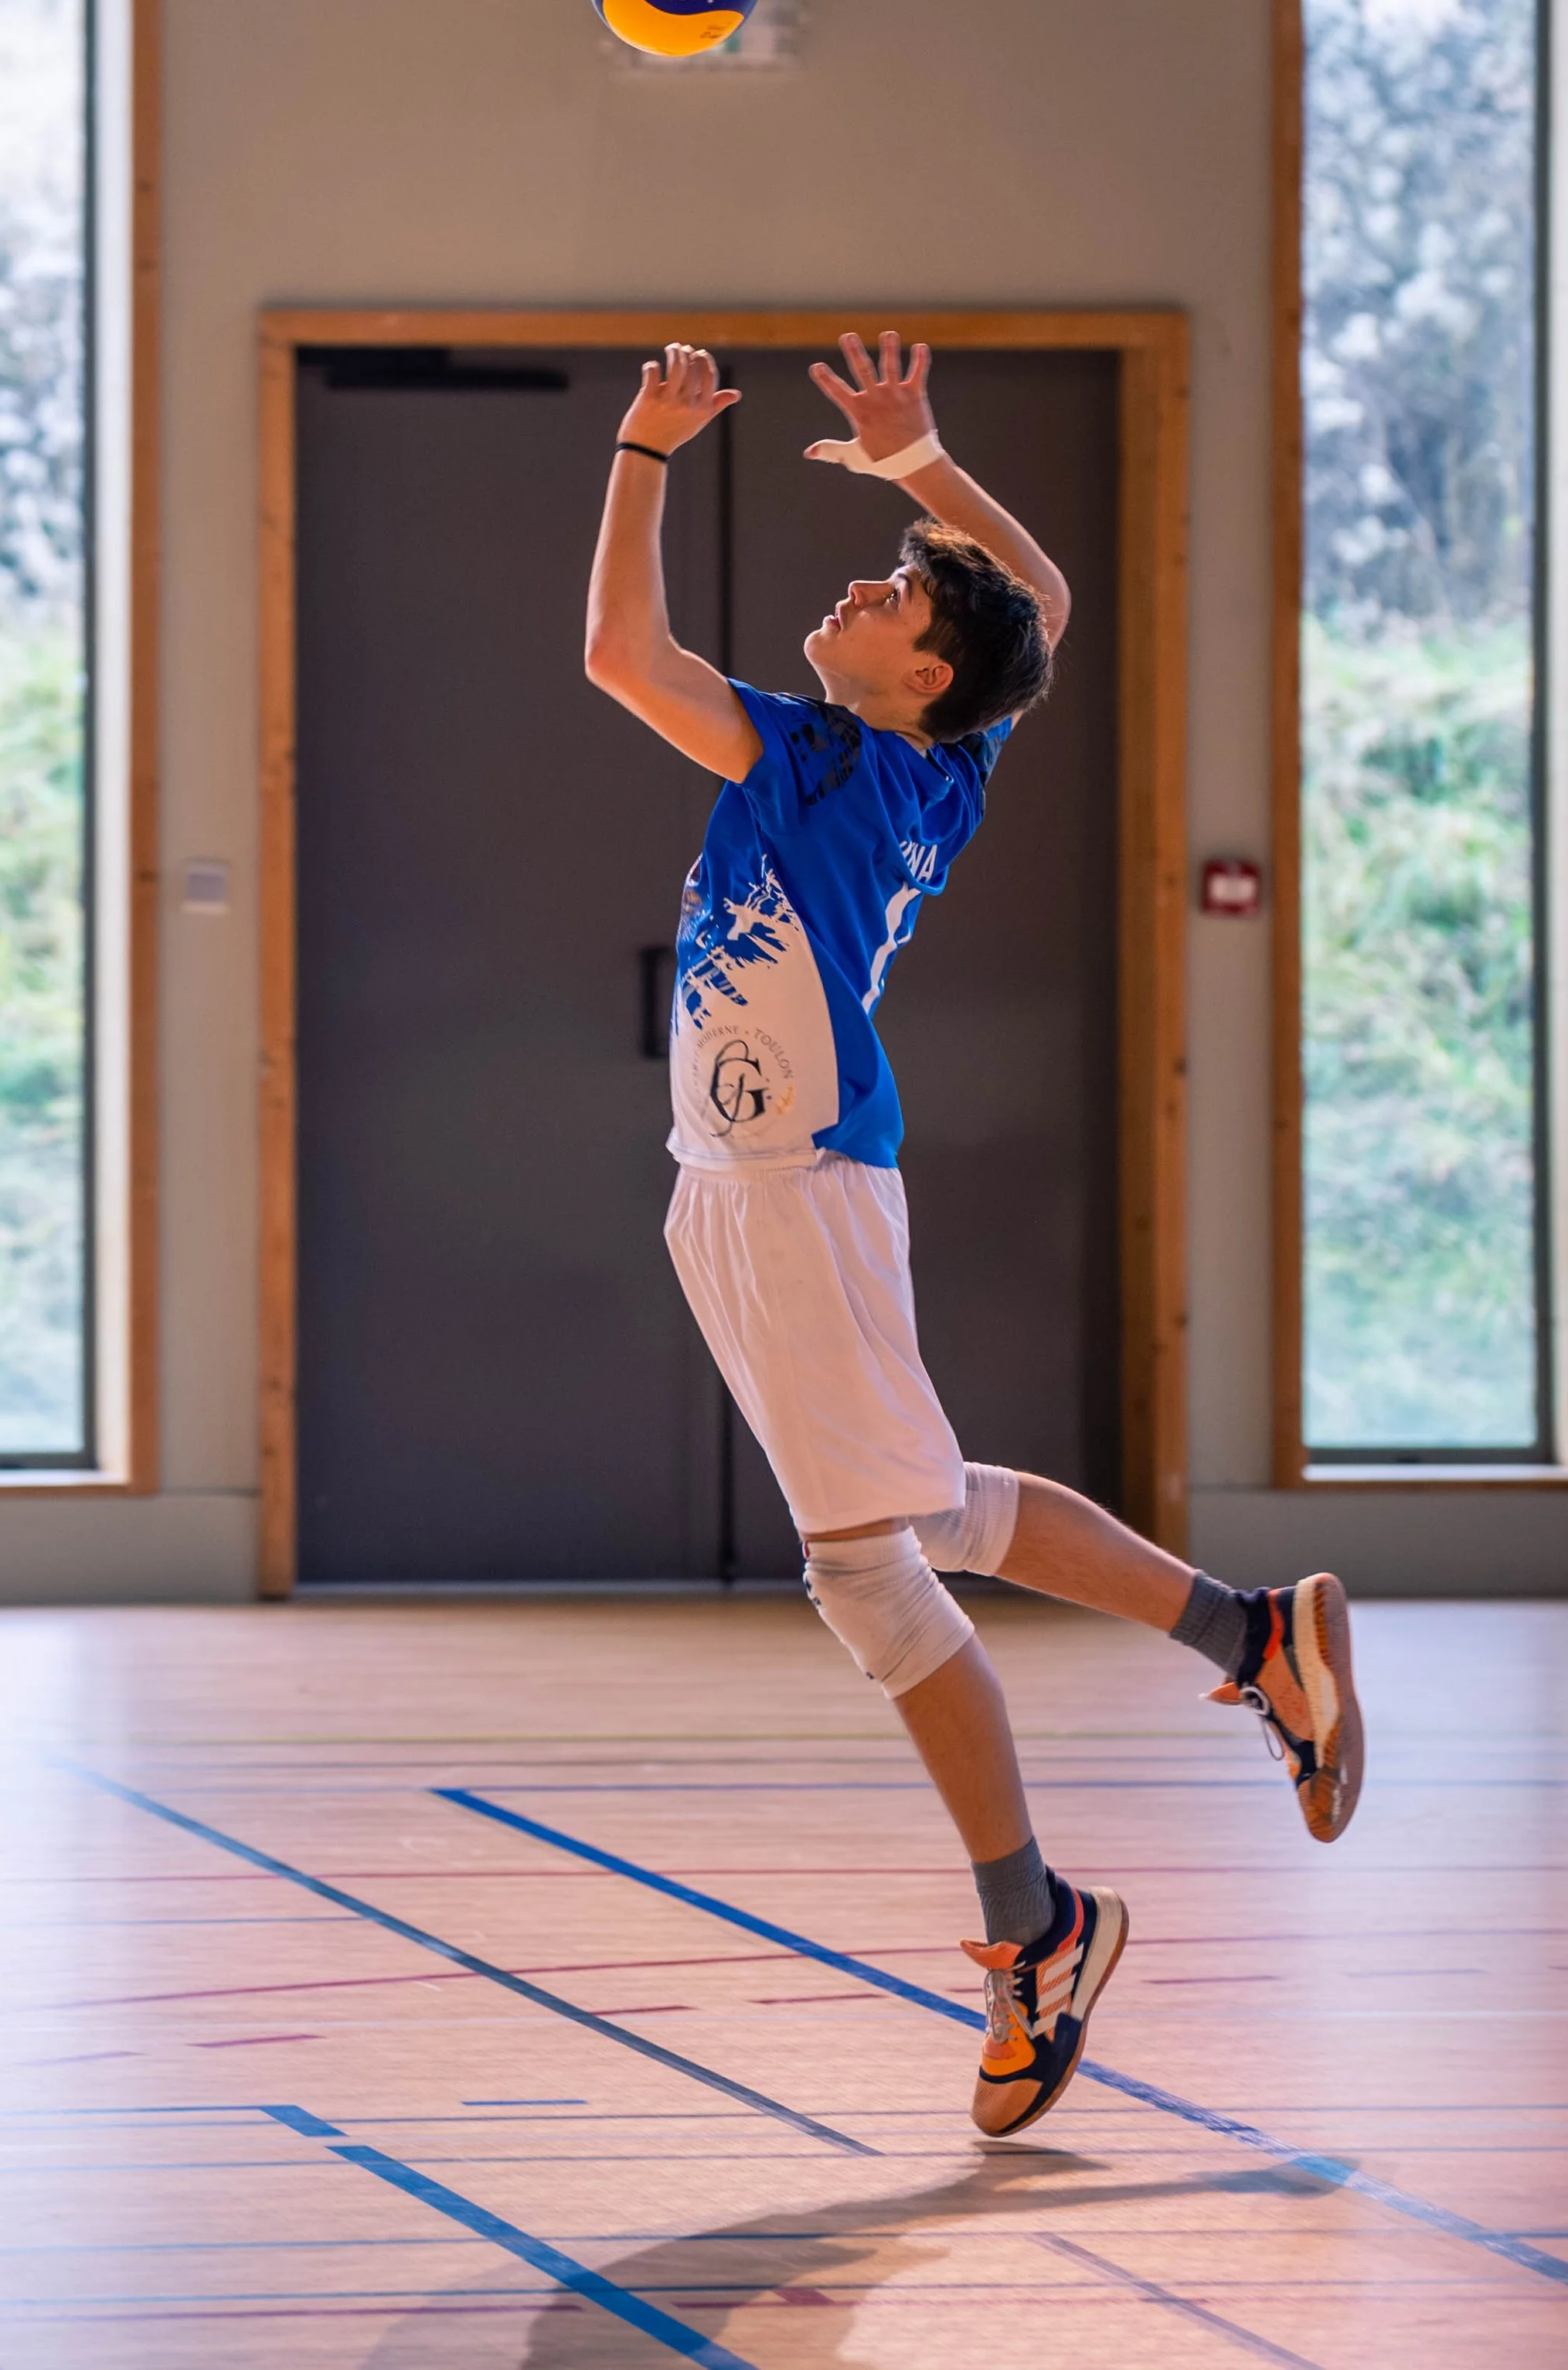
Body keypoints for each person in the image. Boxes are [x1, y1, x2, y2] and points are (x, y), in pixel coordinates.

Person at [583, 329, 1363, 2137]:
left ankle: (1037, 1927)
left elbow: (619, 653)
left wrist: (641, 450)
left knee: (866, 1566)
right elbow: (1036, 607)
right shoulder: (916, 757)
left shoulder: (833, 764)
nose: (851, 586)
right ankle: (1253, 1641)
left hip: (795, 1192)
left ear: (913, 673)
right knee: (920, 1511)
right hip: (740, 1190)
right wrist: (916, 457)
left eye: (883, 591)